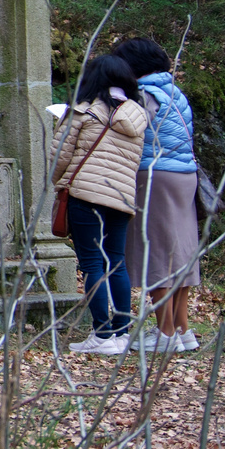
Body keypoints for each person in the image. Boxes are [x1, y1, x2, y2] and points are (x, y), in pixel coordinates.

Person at [54, 54, 148, 355]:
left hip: (85, 195)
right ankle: (122, 333)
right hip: (120, 197)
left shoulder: (81, 112)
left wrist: (58, 181)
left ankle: (102, 334)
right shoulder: (138, 115)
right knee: (116, 261)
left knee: (93, 263)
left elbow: (59, 156)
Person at [113, 37, 202, 353]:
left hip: (155, 175)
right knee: (180, 251)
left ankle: (165, 334)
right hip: (184, 175)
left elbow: (133, 129)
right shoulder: (173, 92)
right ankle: (182, 328)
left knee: (158, 251)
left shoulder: (145, 94)